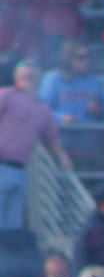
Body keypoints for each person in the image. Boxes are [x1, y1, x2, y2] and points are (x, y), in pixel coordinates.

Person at [0, 61, 71, 229]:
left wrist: (62, 156)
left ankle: (8, 254)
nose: (30, 80)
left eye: (32, 76)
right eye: (26, 76)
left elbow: (51, 137)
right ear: (17, 77)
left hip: (21, 169)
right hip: (1, 164)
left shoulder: (42, 107)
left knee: (13, 222)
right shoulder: (6, 96)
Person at [37, 40, 104, 161]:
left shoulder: (93, 81)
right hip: (60, 147)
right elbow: (40, 110)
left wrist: (99, 110)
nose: (86, 61)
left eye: (87, 57)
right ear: (68, 59)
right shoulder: (53, 80)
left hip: (88, 148)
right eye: (81, 58)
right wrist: (61, 118)